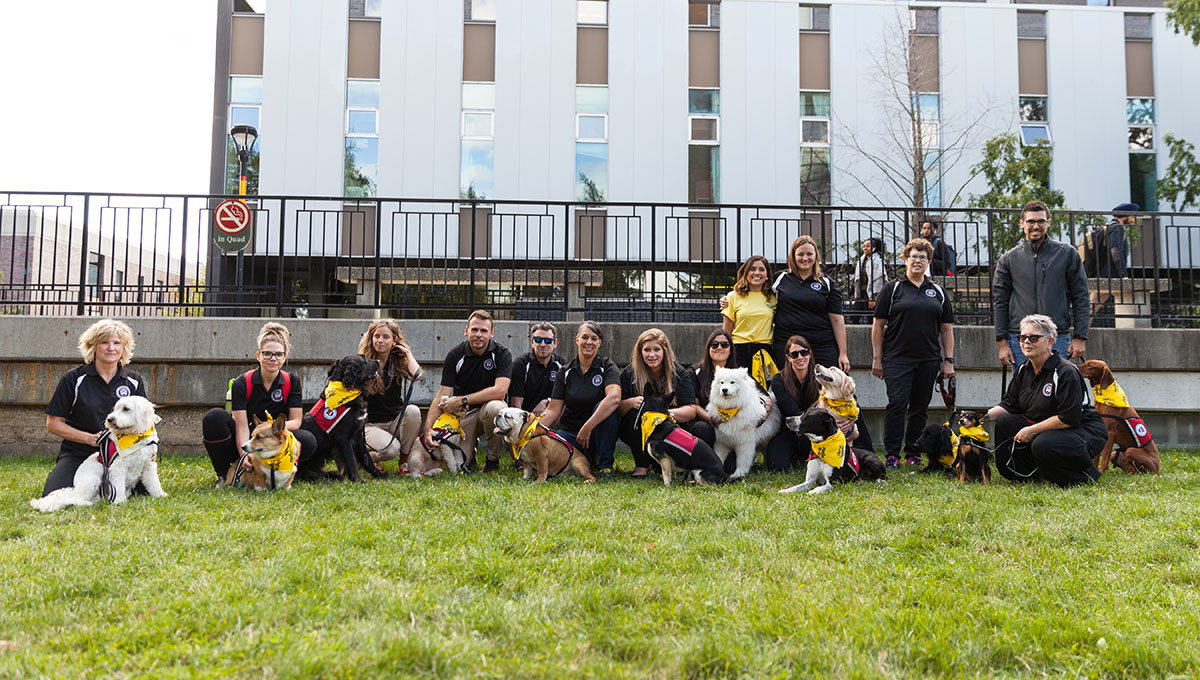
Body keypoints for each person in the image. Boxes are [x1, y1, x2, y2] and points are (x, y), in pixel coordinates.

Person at [986, 314, 1105, 487]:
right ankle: (1027, 474)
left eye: (1034, 338)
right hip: (1048, 427)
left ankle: (1082, 476)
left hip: (1081, 429)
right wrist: (979, 418)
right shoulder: (1023, 370)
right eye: (1022, 337)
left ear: (1050, 342)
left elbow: (1068, 418)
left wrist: (1032, 430)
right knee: (1006, 422)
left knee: (1044, 442)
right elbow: (1009, 405)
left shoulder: (1066, 372)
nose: (1027, 342)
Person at [872, 238, 955, 469]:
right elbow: (878, 325)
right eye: (913, 256)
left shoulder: (937, 291)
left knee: (919, 408)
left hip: (928, 359)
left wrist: (948, 361)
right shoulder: (892, 289)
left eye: (922, 257)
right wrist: (877, 358)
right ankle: (892, 455)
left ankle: (913, 453)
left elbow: (946, 329)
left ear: (929, 261)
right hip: (896, 358)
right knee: (897, 404)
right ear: (905, 259)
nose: (917, 261)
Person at [42, 320, 150, 496]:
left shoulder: (133, 381)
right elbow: (53, 423)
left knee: (144, 493)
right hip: (79, 452)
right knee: (54, 493)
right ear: (93, 346)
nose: (111, 348)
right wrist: (88, 438)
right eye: (104, 342)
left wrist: (150, 448)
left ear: (124, 348)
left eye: (117, 343)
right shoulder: (73, 379)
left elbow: (145, 422)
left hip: (124, 454)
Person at [202, 321, 318, 482]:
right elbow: (241, 426)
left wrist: (271, 429)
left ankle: (283, 472)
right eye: (267, 353)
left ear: (284, 357)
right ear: (258, 356)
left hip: (275, 436)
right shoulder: (242, 383)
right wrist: (245, 455)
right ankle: (224, 474)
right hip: (248, 438)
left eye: (278, 354)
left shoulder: (292, 381)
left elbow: (296, 421)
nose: (273, 359)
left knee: (307, 440)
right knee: (214, 417)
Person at [993, 200, 1090, 366]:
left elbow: (1081, 296)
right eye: (1031, 221)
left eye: (1041, 221)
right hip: (1021, 339)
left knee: (1057, 382)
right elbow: (999, 301)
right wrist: (1002, 343)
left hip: (1056, 337)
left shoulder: (1067, 254)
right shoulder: (1009, 259)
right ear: (1022, 223)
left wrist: (1080, 337)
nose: (1036, 226)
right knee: (1024, 383)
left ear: (1048, 223)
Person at [424, 310, 511, 473]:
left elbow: (500, 391)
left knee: (496, 408)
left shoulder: (502, 354)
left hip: (488, 411)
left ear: (491, 333)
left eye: (484, 331)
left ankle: (492, 461)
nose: (478, 335)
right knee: (460, 466)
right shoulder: (455, 355)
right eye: (474, 329)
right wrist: (428, 429)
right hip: (464, 415)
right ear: (466, 331)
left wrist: (462, 399)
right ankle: (471, 454)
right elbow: (442, 394)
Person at [617, 328, 710, 479]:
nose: (651, 355)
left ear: (665, 351)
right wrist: (629, 402)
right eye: (647, 350)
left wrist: (663, 414)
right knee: (636, 415)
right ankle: (641, 466)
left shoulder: (678, 373)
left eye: (656, 350)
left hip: (671, 430)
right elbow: (618, 409)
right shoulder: (630, 373)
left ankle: (676, 464)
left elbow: (691, 410)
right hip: (639, 431)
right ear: (640, 352)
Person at [539, 321, 621, 478]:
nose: (589, 342)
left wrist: (588, 427)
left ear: (600, 342)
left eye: (594, 338)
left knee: (605, 407)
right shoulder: (565, 371)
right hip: (571, 433)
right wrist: (530, 432)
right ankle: (586, 458)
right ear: (577, 340)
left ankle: (605, 465)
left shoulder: (607, 366)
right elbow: (553, 410)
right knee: (552, 451)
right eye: (584, 337)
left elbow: (614, 398)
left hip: (596, 432)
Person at [358, 319, 423, 474]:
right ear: (371, 338)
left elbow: (416, 375)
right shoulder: (362, 362)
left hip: (394, 422)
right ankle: (364, 459)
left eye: (386, 337)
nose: (380, 340)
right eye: (377, 336)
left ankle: (404, 462)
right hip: (370, 425)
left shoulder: (397, 362)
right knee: (391, 450)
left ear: (394, 341)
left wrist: (407, 353)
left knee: (413, 411)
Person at [765, 335, 821, 471]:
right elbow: (793, 411)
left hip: (814, 428)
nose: (800, 357)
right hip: (788, 427)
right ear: (788, 357)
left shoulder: (821, 376)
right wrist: (814, 405)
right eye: (794, 354)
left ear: (810, 353)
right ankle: (794, 453)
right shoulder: (779, 380)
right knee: (776, 466)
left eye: (804, 352)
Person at [721, 255, 777, 375]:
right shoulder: (732, 296)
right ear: (745, 273)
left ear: (767, 274)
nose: (757, 273)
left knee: (762, 387)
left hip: (764, 352)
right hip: (739, 351)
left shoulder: (773, 298)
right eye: (752, 269)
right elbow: (726, 331)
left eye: (761, 269)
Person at [509, 322, 565, 417]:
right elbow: (515, 405)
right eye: (538, 340)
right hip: (525, 417)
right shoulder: (521, 364)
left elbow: (564, 397)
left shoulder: (560, 364)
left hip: (551, 415)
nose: (542, 344)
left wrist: (546, 401)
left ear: (555, 343)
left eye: (548, 341)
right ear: (532, 342)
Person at [848, 237, 885, 323]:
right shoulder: (862, 259)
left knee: (871, 318)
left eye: (868, 246)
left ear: (874, 248)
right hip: (861, 292)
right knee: (853, 318)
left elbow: (878, 279)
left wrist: (873, 298)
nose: (865, 248)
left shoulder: (877, 261)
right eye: (864, 246)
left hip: (870, 293)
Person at [1096, 203, 1134, 279]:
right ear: (1126, 215)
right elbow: (1116, 251)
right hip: (1110, 275)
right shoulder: (1117, 228)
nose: (1133, 220)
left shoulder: (1108, 226)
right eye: (1132, 216)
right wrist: (1123, 275)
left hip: (1101, 273)